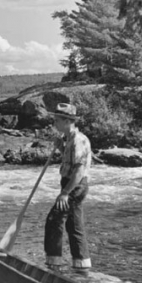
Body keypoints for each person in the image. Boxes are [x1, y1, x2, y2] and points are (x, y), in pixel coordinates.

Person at [45, 103, 92, 272]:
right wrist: (61, 148)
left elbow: (79, 171)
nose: (54, 124)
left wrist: (65, 193)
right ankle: (81, 263)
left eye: (57, 120)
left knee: (54, 219)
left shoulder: (78, 140)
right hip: (73, 184)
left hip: (74, 185)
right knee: (74, 224)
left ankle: (54, 262)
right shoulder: (71, 139)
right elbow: (73, 161)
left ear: (67, 121)